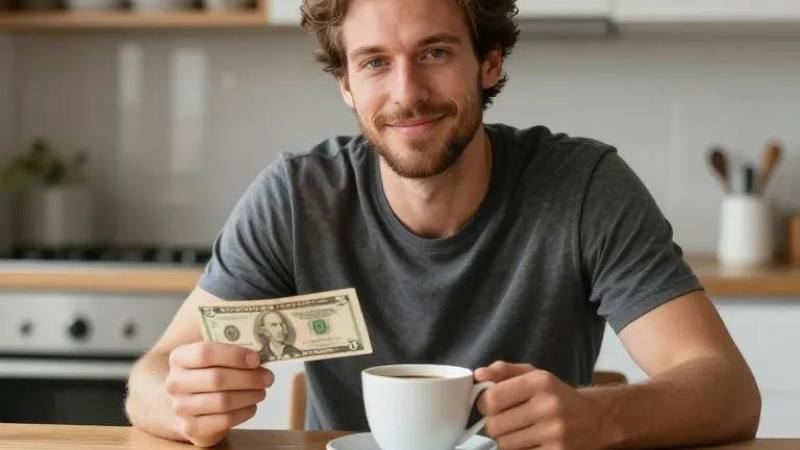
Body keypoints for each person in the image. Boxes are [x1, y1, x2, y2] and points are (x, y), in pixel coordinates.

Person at [125, 0, 761, 448]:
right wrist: (184, 402)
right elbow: (150, 380)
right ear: (346, 83)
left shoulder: (584, 187)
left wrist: (598, 418)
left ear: (488, 64)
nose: (407, 92)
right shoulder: (296, 197)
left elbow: (729, 392)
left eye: (433, 52)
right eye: (374, 61)